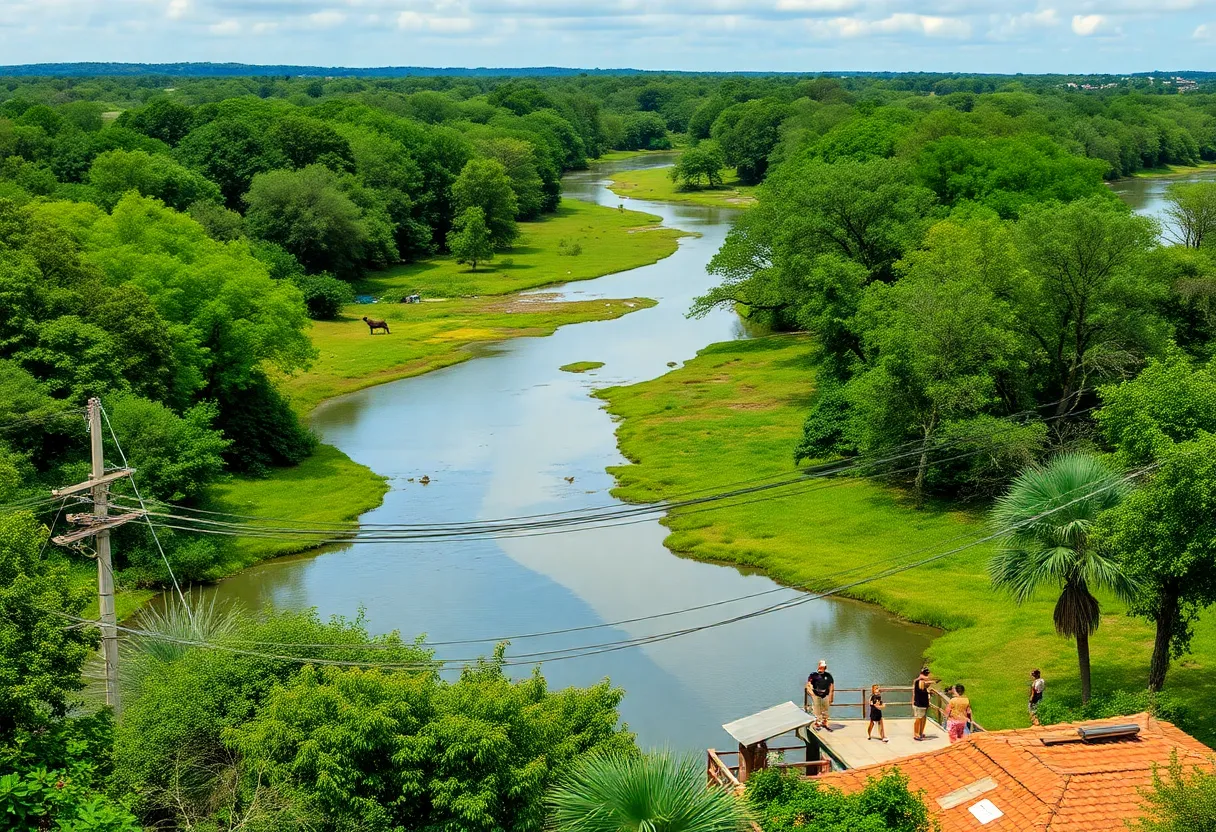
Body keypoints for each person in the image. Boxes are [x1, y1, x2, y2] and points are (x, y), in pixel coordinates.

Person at [806, 660, 835, 731]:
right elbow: (808, 684)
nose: (822, 668)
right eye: (821, 666)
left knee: (825, 709)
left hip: (825, 695)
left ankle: (824, 722)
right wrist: (811, 692)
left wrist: (831, 696)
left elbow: (831, 686)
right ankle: (817, 723)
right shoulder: (813, 675)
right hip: (816, 694)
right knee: (817, 709)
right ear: (818, 666)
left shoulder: (828, 676)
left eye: (823, 667)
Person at [912, 667, 938, 741]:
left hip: (924, 703)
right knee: (918, 719)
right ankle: (916, 734)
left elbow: (925, 686)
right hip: (919, 704)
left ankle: (920, 732)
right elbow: (922, 684)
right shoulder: (919, 681)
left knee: (923, 718)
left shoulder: (923, 681)